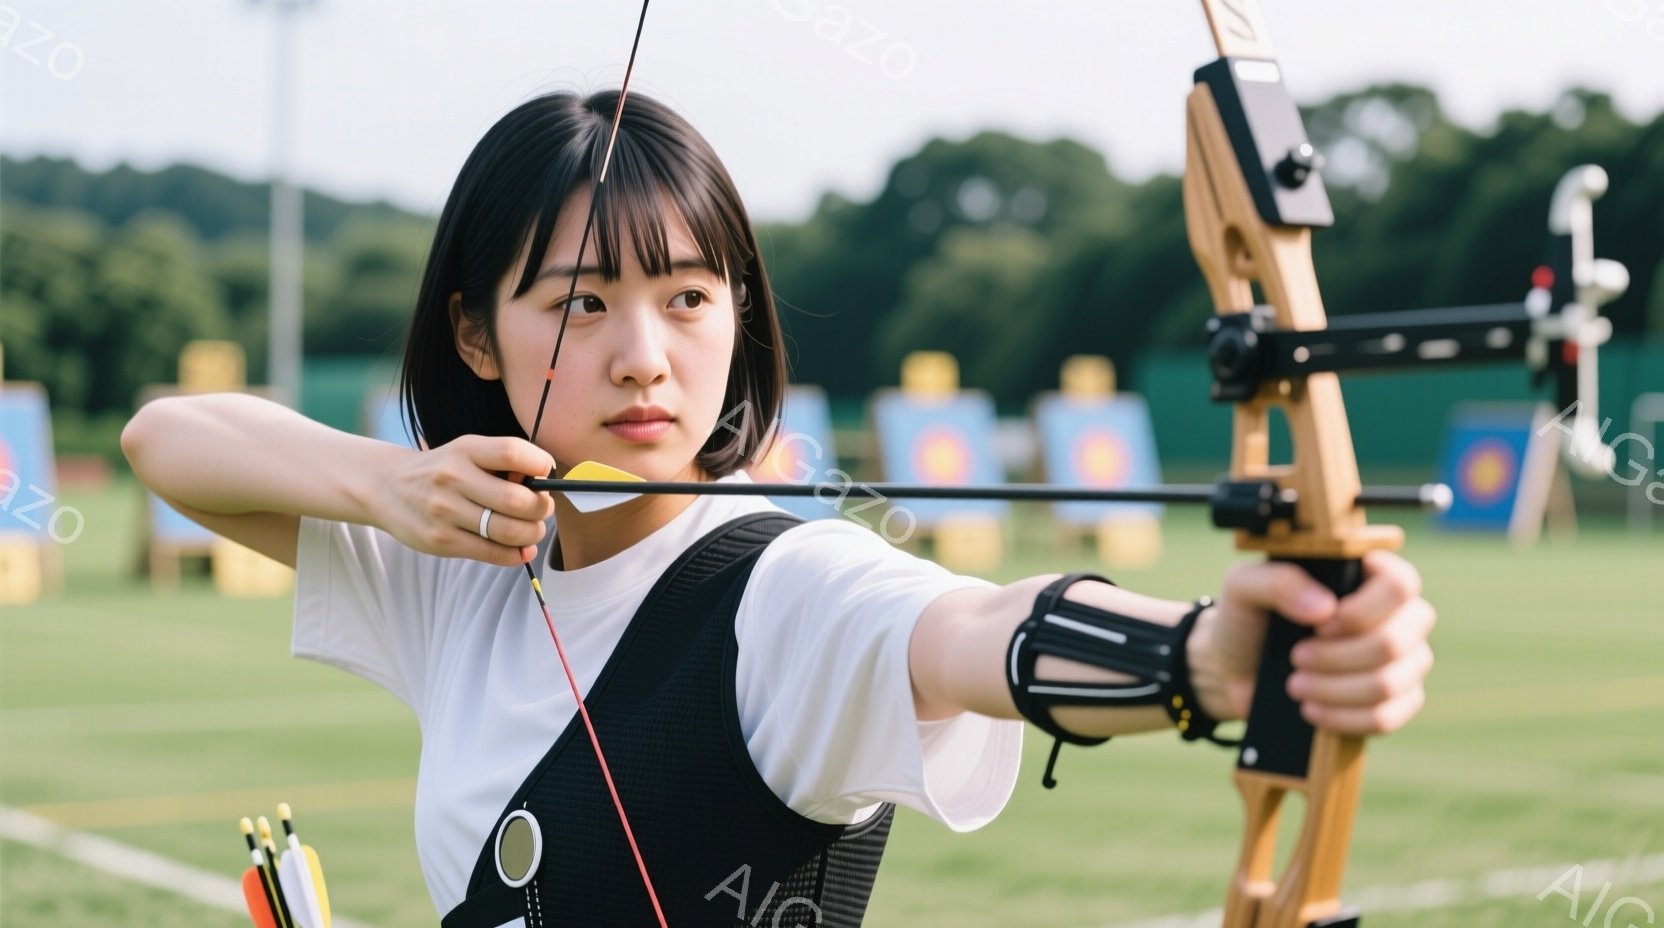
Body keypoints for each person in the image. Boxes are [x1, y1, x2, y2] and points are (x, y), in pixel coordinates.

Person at [122, 90, 1435, 927]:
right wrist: (392, 481)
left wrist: (1207, 658)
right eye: (581, 303)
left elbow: (974, 629)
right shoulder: (466, 558)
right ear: (474, 330)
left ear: (740, 313)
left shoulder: (787, 588)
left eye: (690, 298)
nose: (646, 354)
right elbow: (166, 438)